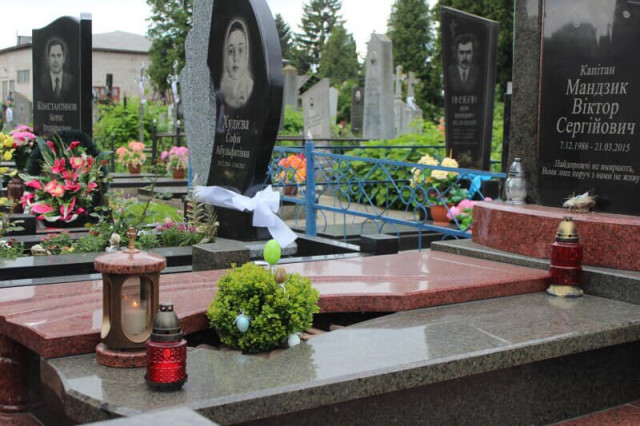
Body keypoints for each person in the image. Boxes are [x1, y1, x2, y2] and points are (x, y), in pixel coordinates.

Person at [219, 20, 254, 108]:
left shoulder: (251, 88)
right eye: (231, 51)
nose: (235, 58)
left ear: (247, 53)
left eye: (240, 50)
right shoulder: (219, 90)